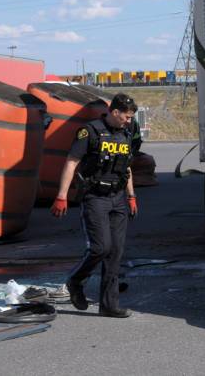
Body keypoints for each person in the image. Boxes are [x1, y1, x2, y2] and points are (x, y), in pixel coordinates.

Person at [51, 93, 139, 318]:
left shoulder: (126, 134)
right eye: (126, 117)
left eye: (130, 118)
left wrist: (131, 196)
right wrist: (62, 196)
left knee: (115, 252)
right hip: (95, 197)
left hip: (118, 198)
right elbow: (71, 162)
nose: (129, 121)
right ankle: (76, 281)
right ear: (115, 112)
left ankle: (109, 305)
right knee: (101, 248)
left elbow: (126, 168)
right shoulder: (89, 131)